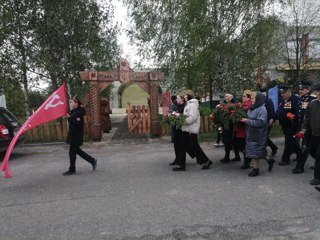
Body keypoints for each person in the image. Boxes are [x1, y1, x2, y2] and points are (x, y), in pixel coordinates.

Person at [173, 90, 212, 171]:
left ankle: (206, 161)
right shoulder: (188, 104)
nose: (184, 96)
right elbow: (186, 115)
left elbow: (192, 117)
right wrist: (180, 116)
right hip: (187, 129)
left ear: (189, 96)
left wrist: (183, 121)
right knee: (182, 146)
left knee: (195, 147)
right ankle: (181, 165)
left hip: (191, 130)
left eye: (186, 95)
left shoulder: (192, 105)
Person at [240, 92, 275, 177]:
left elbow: (261, 122)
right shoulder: (252, 107)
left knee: (255, 152)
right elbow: (249, 117)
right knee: (257, 151)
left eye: (254, 98)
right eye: (251, 98)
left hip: (258, 133)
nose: (252, 100)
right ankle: (269, 160)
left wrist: (247, 121)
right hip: (251, 132)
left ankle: (256, 169)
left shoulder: (262, 109)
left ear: (258, 99)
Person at [63, 96, 97, 175]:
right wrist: (70, 117)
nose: (70, 104)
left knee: (72, 152)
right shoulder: (75, 111)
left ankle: (72, 169)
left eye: (72, 102)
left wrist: (69, 118)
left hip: (76, 136)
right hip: (74, 135)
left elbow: (77, 124)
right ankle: (92, 161)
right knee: (76, 151)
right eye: (70, 102)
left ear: (76, 103)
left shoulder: (78, 113)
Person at [292, 81, 316, 174]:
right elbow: (299, 112)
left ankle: (299, 167)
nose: (300, 90)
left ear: (308, 89)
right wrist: (294, 115)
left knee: (304, 147)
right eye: (300, 89)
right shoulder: (300, 99)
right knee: (313, 148)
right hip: (300, 126)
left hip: (307, 128)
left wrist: (305, 128)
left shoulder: (312, 99)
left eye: (302, 89)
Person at [299, 81, 320, 186]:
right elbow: (307, 118)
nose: (318, 93)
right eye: (318, 91)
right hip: (313, 133)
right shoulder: (312, 104)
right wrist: (304, 129)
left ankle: (317, 178)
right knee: (313, 151)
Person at [276, 85, 299, 166]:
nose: (282, 95)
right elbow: (280, 111)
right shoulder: (283, 101)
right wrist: (274, 118)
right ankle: (300, 154)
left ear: (289, 92)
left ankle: (285, 159)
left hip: (292, 125)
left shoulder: (295, 99)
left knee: (288, 141)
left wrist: (294, 115)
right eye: (281, 93)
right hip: (285, 125)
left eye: (284, 93)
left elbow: (298, 110)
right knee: (292, 141)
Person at [169, 93, 195, 165]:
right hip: (176, 128)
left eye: (178, 98)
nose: (176, 99)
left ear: (182, 99)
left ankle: (181, 161)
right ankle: (177, 159)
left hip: (182, 128)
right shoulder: (178, 105)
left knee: (182, 145)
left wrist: (177, 116)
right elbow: (175, 113)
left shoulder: (185, 106)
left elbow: (184, 116)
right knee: (176, 144)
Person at [234, 90, 252, 169]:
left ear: (248, 98)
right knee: (241, 146)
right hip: (240, 129)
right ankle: (247, 161)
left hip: (245, 129)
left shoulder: (249, 105)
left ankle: (247, 162)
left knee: (245, 147)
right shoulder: (242, 105)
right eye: (242, 96)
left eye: (244, 96)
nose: (242, 97)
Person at [219, 93, 238, 163]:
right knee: (227, 141)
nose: (225, 97)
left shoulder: (234, 105)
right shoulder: (224, 104)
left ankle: (233, 156)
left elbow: (235, 115)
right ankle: (228, 156)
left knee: (231, 141)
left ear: (231, 97)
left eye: (227, 96)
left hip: (231, 126)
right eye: (225, 96)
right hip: (225, 125)